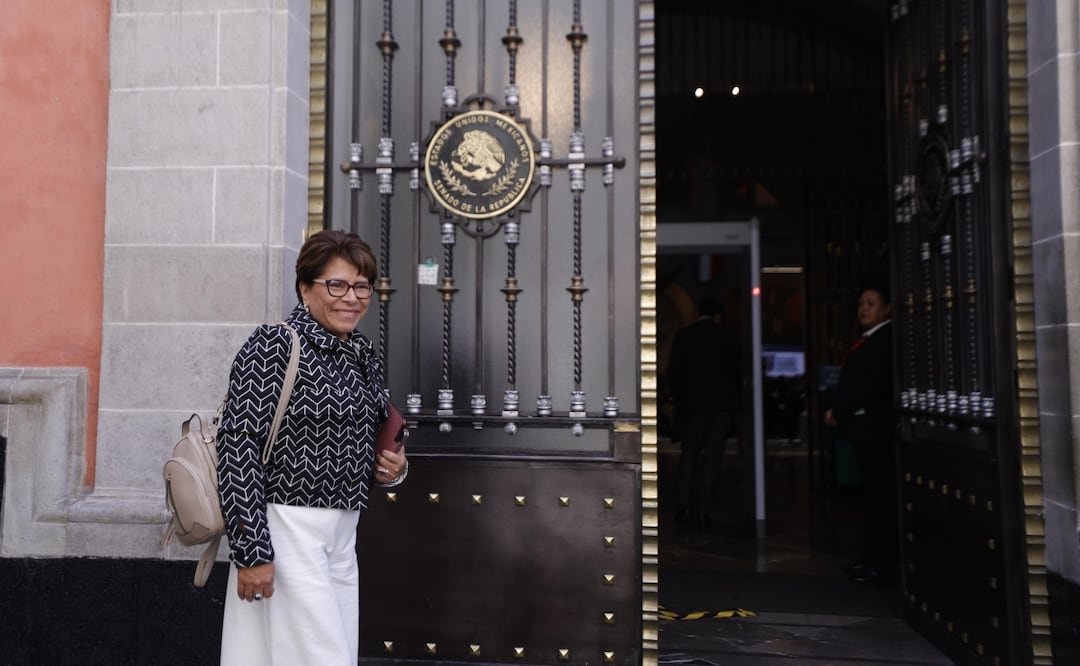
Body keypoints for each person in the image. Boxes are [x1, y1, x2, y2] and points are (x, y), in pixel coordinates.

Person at [216, 230, 408, 665]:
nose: (352, 298)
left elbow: (376, 431)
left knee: (325, 653)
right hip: (288, 528)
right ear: (305, 287)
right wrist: (252, 552)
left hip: (343, 533)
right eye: (336, 285)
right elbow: (237, 446)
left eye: (362, 287)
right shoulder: (274, 344)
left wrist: (395, 466)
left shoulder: (361, 352)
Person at [824, 284, 897, 586]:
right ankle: (870, 559)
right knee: (870, 499)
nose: (863, 309)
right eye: (860, 304)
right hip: (868, 434)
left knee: (878, 499)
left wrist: (837, 412)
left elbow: (865, 386)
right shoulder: (872, 340)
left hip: (876, 433)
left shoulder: (883, 340)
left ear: (887, 308)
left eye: (871, 303)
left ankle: (878, 563)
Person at [668, 297, 743, 529]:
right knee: (713, 457)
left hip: (693, 406)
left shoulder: (684, 337)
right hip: (721, 407)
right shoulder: (729, 337)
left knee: (689, 454)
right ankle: (704, 508)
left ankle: (683, 502)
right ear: (718, 316)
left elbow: (674, 373)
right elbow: (737, 373)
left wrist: (680, 400)